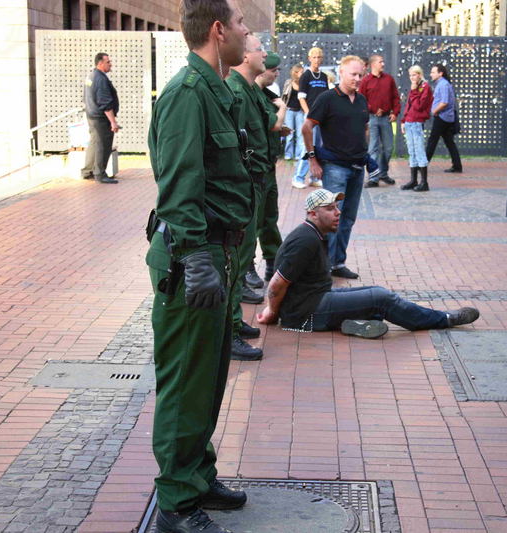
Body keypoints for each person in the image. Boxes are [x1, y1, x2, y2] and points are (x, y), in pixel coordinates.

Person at [145, 0, 250, 531]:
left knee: (208, 376)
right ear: (217, 30)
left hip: (217, 254)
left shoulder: (216, 90)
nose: (245, 30)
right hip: (194, 257)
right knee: (187, 379)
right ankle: (176, 502)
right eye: (239, 23)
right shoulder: (189, 94)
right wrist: (195, 259)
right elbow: (179, 185)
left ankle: (197, 475)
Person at [256, 189, 480, 336]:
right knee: (380, 298)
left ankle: (354, 322)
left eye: (337, 207)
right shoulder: (304, 240)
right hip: (306, 314)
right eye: (330, 209)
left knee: (376, 292)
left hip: (315, 302)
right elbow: (277, 284)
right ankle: (444, 319)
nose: (338, 212)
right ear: (313, 214)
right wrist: (272, 312)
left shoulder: (314, 234)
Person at [226, 35, 286, 362]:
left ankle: (234, 321)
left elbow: (263, 128)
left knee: (245, 249)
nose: (264, 54)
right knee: (236, 259)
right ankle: (230, 328)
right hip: (247, 183)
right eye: (259, 48)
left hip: (258, 179)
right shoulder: (236, 90)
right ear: (245, 56)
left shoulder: (249, 90)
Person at [302, 55, 369, 280]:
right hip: (335, 169)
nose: (358, 79)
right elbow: (307, 127)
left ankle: (338, 262)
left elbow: (365, 127)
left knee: (348, 218)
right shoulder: (327, 98)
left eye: (360, 74)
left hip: (357, 168)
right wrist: (312, 159)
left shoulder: (361, 100)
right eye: (353, 74)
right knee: (330, 219)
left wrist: (365, 153)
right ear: (341, 73)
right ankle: (324, 266)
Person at [252, 52, 287, 285]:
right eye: (273, 70)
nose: (276, 73)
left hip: (268, 165)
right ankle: (246, 268)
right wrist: (283, 109)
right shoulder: (252, 95)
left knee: (269, 217)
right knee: (254, 219)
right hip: (255, 167)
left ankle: (273, 262)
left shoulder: (265, 95)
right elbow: (273, 123)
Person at [359, 54, 400, 187]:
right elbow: (361, 99)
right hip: (372, 118)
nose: (383, 64)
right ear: (373, 64)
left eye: (383, 61)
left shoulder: (389, 79)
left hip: (386, 118)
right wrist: (372, 109)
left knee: (388, 148)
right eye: (380, 62)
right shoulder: (365, 81)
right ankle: (374, 177)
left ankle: (383, 173)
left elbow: (395, 97)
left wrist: (395, 112)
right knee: (373, 148)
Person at [291, 47, 328, 189]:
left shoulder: (324, 77)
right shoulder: (306, 76)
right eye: (314, 57)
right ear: (309, 58)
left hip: (321, 118)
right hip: (309, 117)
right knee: (307, 147)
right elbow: (301, 98)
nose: (317, 60)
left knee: (317, 147)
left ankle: (314, 177)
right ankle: (298, 177)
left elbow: (325, 98)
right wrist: (308, 114)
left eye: (319, 57)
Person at [81, 52, 120, 184]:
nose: (110, 64)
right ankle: (100, 173)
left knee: (94, 143)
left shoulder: (91, 76)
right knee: (103, 145)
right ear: (100, 63)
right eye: (108, 62)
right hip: (100, 118)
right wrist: (113, 122)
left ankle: (88, 171)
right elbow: (105, 103)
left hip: (92, 115)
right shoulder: (101, 79)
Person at [400, 65, 433, 191]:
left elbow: (420, 106)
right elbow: (408, 106)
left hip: (417, 122)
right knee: (412, 152)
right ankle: (413, 180)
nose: (412, 78)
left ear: (419, 74)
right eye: (410, 75)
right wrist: (403, 121)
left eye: (414, 74)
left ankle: (424, 182)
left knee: (419, 151)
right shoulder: (415, 88)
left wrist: (414, 91)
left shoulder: (425, 87)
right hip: (409, 122)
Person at [425, 64, 462, 173]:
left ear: (440, 73)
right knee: (449, 142)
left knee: (432, 140)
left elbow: (444, 102)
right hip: (445, 117)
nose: (431, 74)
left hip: (442, 117)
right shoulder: (442, 84)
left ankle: (423, 164)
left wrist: (434, 111)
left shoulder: (443, 85)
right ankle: (457, 165)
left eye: (433, 72)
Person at [282, 64, 304, 160]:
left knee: (300, 134)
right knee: (289, 134)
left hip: (300, 111)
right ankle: (288, 154)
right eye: (299, 72)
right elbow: (284, 96)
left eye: (302, 72)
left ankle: (298, 155)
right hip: (289, 110)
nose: (301, 73)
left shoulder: (304, 84)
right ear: (295, 72)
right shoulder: (289, 82)